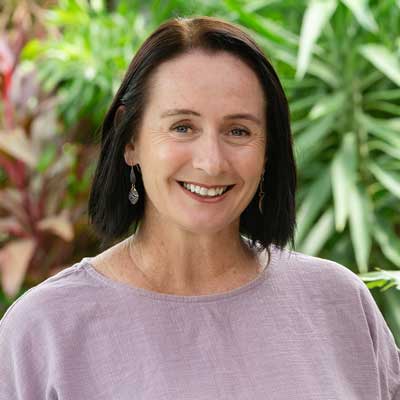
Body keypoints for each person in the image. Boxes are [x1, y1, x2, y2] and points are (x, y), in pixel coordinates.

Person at [0, 16, 399, 400]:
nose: (211, 162)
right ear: (131, 138)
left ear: (268, 149)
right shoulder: (43, 331)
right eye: (182, 127)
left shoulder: (339, 303)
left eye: (238, 130)